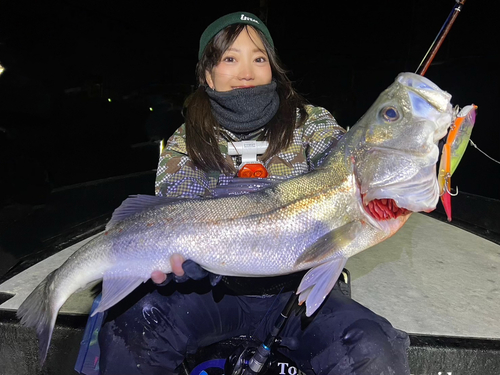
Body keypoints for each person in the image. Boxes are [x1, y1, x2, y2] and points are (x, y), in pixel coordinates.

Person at [98, 11, 411, 375]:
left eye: (259, 58)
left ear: (273, 68)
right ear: (206, 74)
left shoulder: (313, 123)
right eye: (230, 58)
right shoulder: (186, 140)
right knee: (130, 326)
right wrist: (180, 260)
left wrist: (404, 152)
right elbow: (179, 211)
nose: (246, 71)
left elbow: (350, 166)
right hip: (211, 293)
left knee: (372, 348)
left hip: (299, 290)